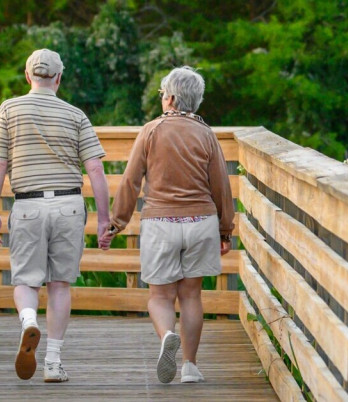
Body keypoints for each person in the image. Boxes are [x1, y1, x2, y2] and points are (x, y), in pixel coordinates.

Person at [99, 66, 235, 384]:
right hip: (201, 222)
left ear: (170, 98)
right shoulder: (206, 134)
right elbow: (221, 186)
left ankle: (165, 338)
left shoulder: (150, 131)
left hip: (160, 222)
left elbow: (131, 181)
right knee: (191, 296)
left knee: (160, 296)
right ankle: (189, 366)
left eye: (163, 95)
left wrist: (116, 223)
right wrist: (225, 230)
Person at [0, 49, 111, 382]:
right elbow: (96, 168)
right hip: (69, 206)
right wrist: (103, 219)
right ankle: (53, 363)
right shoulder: (76, 115)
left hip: (28, 206)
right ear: (58, 78)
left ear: (28, 77)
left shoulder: (8, 110)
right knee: (59, 285)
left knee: (26, 280)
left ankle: (29, 321)